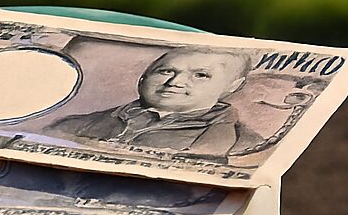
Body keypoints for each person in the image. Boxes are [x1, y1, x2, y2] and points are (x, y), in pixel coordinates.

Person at [49, 47, 262, 161]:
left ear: (233, 86)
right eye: (166, 71)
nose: (175, 82)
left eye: (200, 75)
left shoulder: (246, 146)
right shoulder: (70, 126)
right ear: (143, 78)